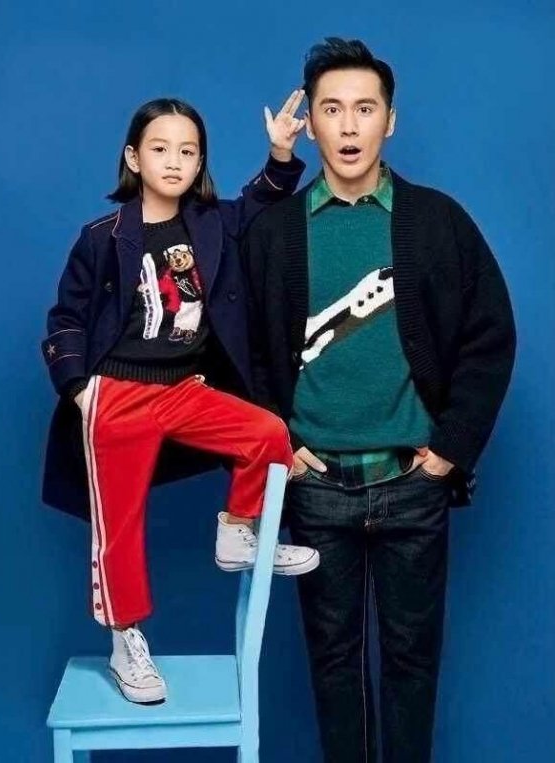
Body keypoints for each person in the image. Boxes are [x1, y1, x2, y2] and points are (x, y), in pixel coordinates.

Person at [244, 38, 516, 762]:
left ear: (390, 121)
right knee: (333, 670)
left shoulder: (437, 220)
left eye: (365, 109)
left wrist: (451, 448)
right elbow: (243, 349)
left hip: (411, 484)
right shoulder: (275, 232)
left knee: (411, 667)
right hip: (315, 486)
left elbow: (491, 335)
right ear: (312, 124)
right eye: (332, 109)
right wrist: (280, 443)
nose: (349, 125)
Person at [41, 93, 320, 704]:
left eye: (188, 151)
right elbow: (66, 320)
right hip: (117, 394)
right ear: (133, 158)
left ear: (200, 162)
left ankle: (238, 531)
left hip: (183, 388)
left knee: (267, 433)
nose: (174, 161)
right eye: (160, 149)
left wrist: (280, 154)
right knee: (119, 527)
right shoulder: (102, 237)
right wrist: (80, 390)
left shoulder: (212, 223)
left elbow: (260, 204)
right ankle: (125, 641)